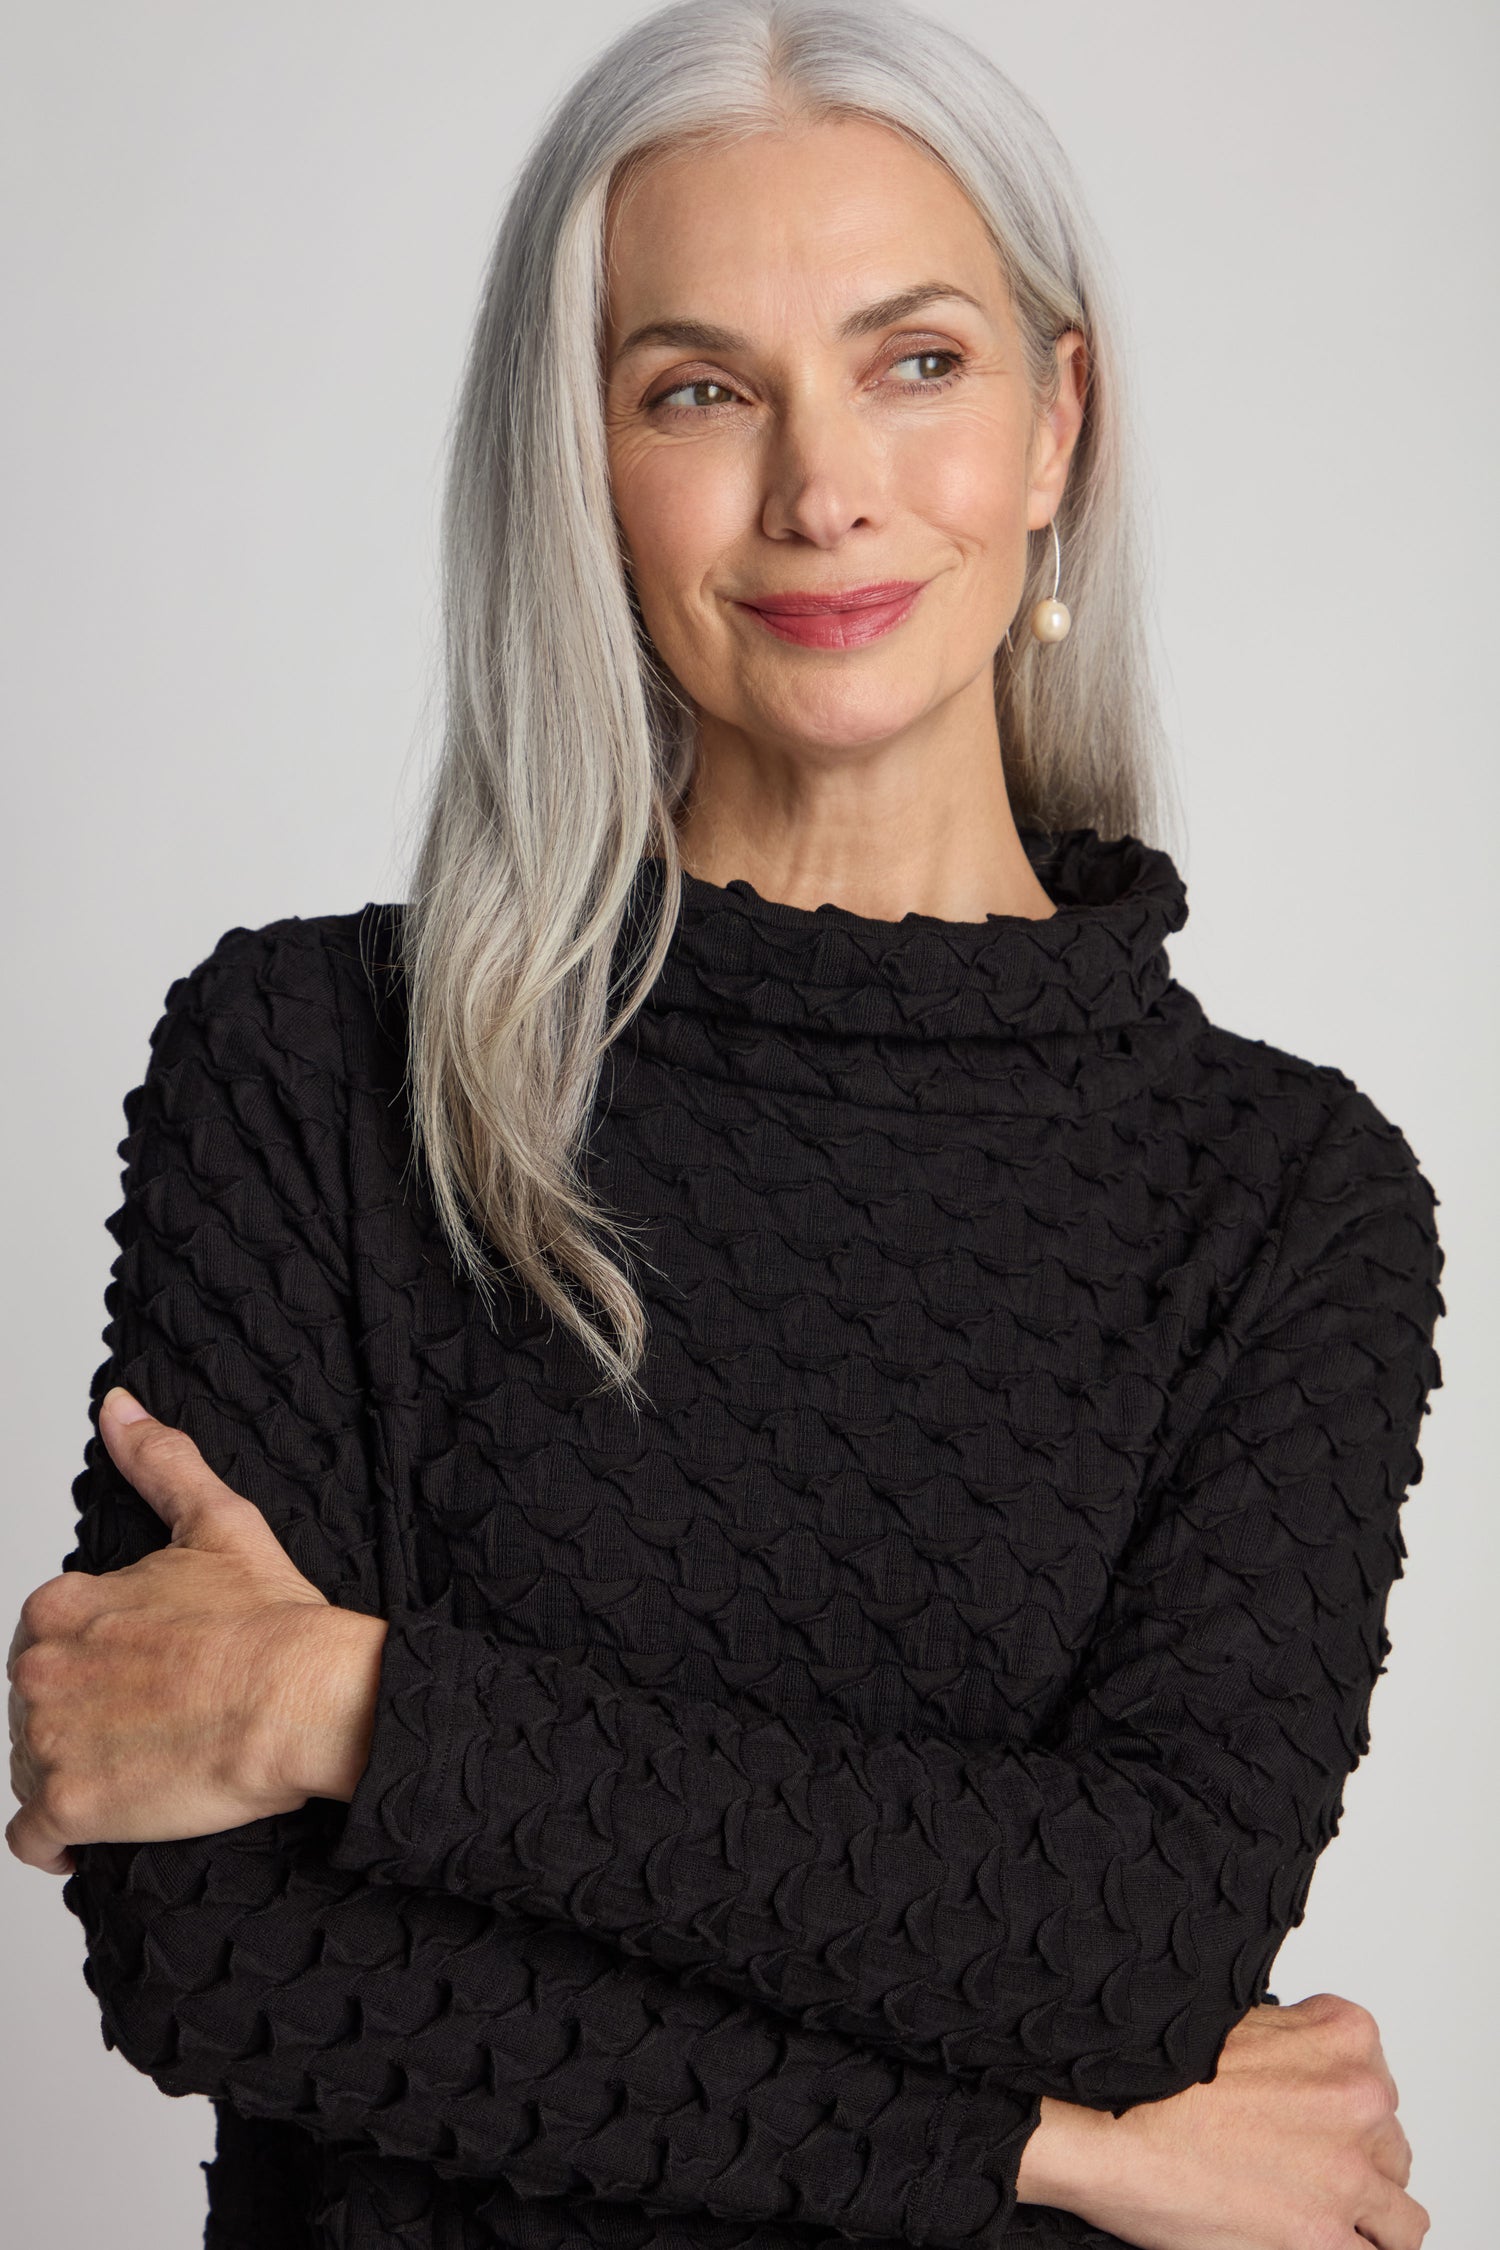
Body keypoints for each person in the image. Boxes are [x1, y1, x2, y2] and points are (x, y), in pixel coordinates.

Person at [5, 3, 1444, 2246]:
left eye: (918, 362)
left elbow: (1131, 1936)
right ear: (578, 464)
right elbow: (222, 1956)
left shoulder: (1284, 1206)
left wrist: (364, 1706)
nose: (820, 488)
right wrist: (1048, 2147)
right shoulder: (308, 1060)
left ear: (1062, 421)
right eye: (698, 388)